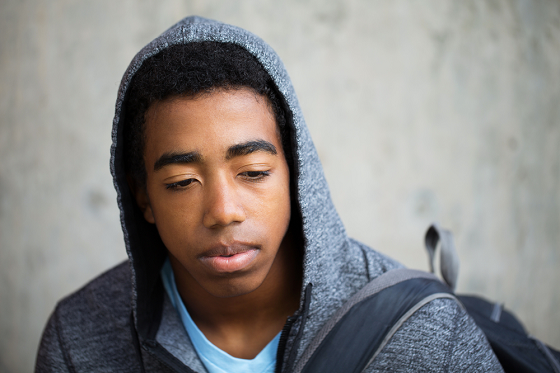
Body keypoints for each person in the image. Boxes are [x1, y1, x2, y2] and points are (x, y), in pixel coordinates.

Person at [35, 16, 503, 372]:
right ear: (143, 199)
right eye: (181, 183)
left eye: (254, 171)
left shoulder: (425, 332)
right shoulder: (78, 339)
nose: (223, 211)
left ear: (297, 173)